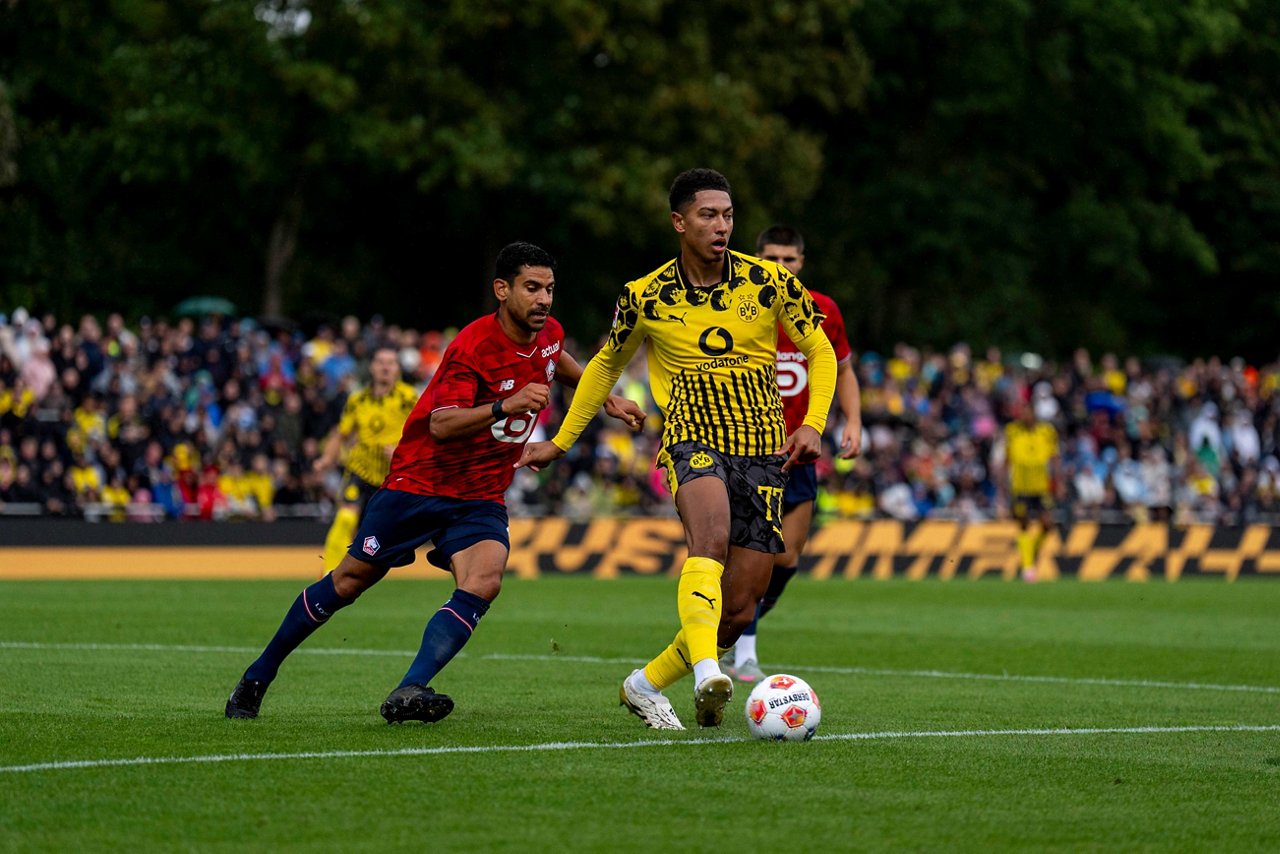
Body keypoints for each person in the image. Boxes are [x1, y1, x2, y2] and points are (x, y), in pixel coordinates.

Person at [225, 242, 644, 723]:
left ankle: (410, 688)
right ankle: (258, 675)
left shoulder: (547, 333)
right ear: (502, 290)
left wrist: (606, 398)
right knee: (346, 582)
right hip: (419, 484)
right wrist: (504, 406)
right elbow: (443, 424)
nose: (544, 299)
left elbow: (559, 360)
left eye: (549, 288)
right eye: (532, 288)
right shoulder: (472, 346)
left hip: (480, 493)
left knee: (485, 580)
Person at [517, 169, 837, 730]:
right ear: (679, 221)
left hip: (764, 451)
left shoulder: (771, 283)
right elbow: (603, 367)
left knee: (738, 611)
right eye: (708, 215)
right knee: (708, 541)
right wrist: (562, 441)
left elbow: (822, 351)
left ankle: (644, 685)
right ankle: (709, 673)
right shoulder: (644, 295)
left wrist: (813, 423)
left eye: (729, 215)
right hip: (692, 438)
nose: (721, 226)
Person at [720, 225, 862, 683]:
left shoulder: (823, 310)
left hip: (799, 454)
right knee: (751, 555)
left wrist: (853, 422)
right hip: (748, 449)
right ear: (757, 260)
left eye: (791, 260)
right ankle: (742, 650)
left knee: (787, 561)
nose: (782, 268)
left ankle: (735, 630)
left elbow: (842, 370)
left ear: (802, 263)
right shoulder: (739, 304)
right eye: (773, 259)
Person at [313, 346, 418, 572]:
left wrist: (402, 450)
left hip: (392, 475)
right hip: (360, 469)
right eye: (381, 362)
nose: (385, 367)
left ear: (397, 369)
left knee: (379, 533)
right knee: (345, 518)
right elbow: (340, 433)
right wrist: (326, 460)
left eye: (390, 363)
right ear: (372, 367)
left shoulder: (408, 398)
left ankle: (357, 572)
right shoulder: (357, 399)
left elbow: (423, 432)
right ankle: (327, 577)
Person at [998, 398, 1062, 581]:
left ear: (1034, 413)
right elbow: (1006, 458)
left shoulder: (1047, 432)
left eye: (1027, 412)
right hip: (1020, 486)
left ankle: (1030, 553)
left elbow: (1055, 457)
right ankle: (1028, 568)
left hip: (1041, 486)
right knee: (1023, 524)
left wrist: (1059, 482)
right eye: (1021, 412)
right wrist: (1002, 485)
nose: (1024, 416)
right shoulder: (1012, 431)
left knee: (1048, 525)